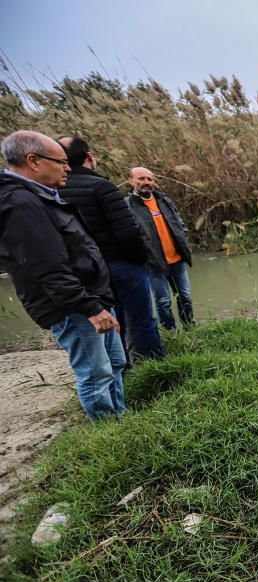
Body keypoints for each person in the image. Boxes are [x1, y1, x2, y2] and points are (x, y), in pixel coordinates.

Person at [0, 130, 126, 419]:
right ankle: (109, 435)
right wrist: (90, 308)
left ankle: (121, 420)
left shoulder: (41, 196)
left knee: (115, 363)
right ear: (33, 161)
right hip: (73, 306)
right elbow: (47, 267)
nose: (68, 167)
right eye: (61, 161)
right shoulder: (20, 204)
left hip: (90, 298)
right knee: (96, 373)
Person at [58, 136, 164, 360]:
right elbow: (128, 232)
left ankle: (122, 370)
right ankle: (157, 370)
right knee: (143, 320)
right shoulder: (101, 186)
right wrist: (140, 260)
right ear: (89, 156)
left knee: (113, 323)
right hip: (121, 265)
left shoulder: (52, 192)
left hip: (85, 272)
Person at [126, 167, 194, 329]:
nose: (146, 182)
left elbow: (180, 224)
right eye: (141, 179)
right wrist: (144, 255)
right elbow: (131, 235)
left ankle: (190, 328)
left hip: (177, 259)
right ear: (131, 181)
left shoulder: (164, 200)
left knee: (185, 297)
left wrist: (184, 239)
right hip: (154, 264)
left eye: (150, 179)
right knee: (163, 302)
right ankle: (171, 332)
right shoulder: (128, 206)